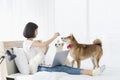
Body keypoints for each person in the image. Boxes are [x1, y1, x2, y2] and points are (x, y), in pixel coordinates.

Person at [23, 22, 105, 76]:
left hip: (41, 65)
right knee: (63, 68)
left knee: (61, 66)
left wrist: (46, 48)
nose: (37, 32)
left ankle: (92, 71)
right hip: (37, 68)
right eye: (36, 30)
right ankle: (92, 72)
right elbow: (44, 44)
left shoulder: (33, 43)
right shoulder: (27, 43)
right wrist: (54, 37)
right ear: (31, 31)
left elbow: (42, 54)